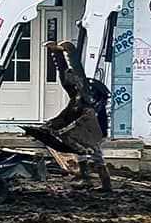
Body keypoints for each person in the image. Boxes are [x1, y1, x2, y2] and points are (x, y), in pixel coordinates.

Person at [24, 41, 112, 194]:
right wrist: (58, 56)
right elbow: (67, 84)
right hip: (85, 131)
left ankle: (106, 185)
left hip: (93, 132)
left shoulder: (90, 103)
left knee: (96, 156)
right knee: (80, 154)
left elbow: (78, 80)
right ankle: (85, 179)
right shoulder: (79, 98)